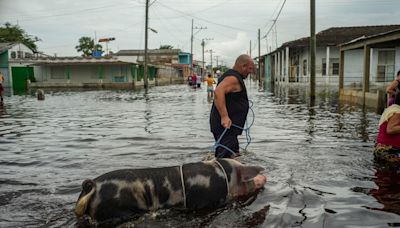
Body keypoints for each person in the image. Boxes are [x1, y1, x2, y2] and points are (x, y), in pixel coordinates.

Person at [209, 54, 254, 158]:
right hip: (225, 128)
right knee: (226, 161)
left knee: (235, 156)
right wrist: (224, 116)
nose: (251, 71)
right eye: (250, 68)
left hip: (229, 129)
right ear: (243, 66)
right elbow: (218, 92)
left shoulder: (231, 76)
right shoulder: (233, 78)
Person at [374, 90, 400, 163]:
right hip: (389, 152)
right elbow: (390, 129)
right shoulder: (398, 112)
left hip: (382, 149)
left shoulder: (392, 109)